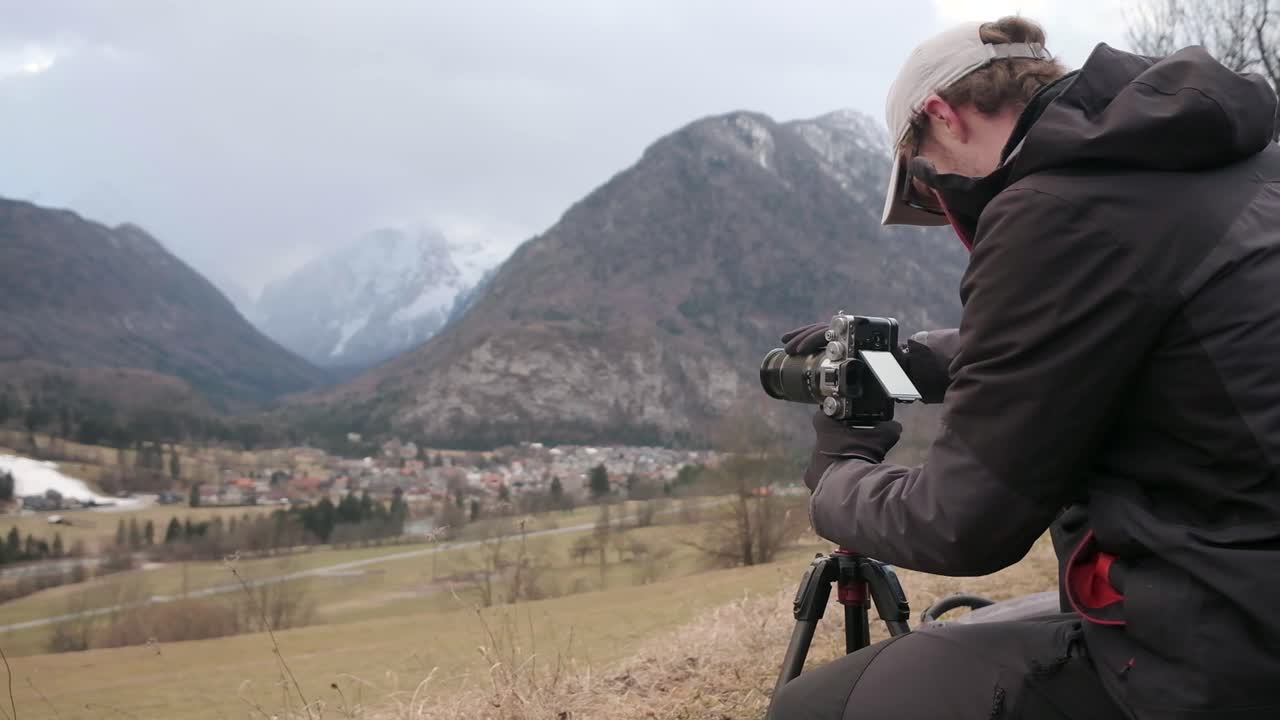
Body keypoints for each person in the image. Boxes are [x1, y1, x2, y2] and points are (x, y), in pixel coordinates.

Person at [768, 15, 1280, 720]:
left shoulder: (1056, 207)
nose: (944, 207)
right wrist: (911, 360)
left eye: (926, 188)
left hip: (1225, 650)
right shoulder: (1216, 158)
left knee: (817, 707)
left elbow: (963, 522)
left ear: (943, 117)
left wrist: (835, 479)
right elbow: (1126, 329)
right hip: (1247, 570)